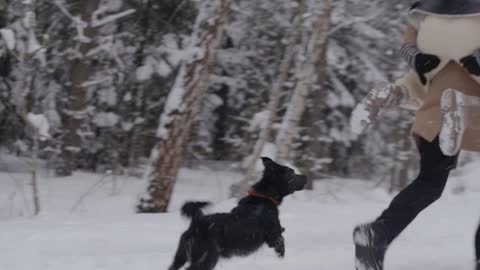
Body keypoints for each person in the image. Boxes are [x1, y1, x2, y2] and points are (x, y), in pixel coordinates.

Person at [350, 1, 480, 269]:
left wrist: (400, 92)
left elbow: (418, 85)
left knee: (429, 183)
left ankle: (377, 233)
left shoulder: (436, 56)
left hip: (436, 112)